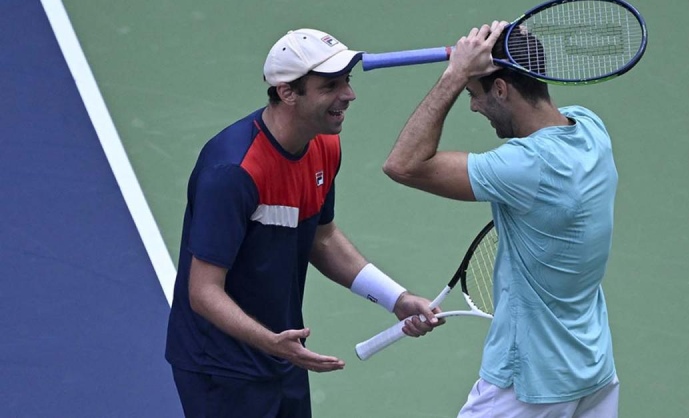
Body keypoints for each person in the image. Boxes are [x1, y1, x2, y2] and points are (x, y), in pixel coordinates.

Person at [165, 28, 442, 418]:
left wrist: (396, 298)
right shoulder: (233, 171)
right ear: (287, 92)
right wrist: (271, 342)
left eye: (347, 81)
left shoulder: (323, 145)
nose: (348, 94)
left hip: (284, 351)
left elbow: (322, 239)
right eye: (330, 85)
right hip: (222, 367)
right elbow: (204, 292)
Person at [383, 21, 620, 417]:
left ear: (501, 89)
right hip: (592, 371)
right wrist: (513, 43)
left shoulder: (527, 166)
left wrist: (456, 73)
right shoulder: (591, 129)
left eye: (474, 95)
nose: (473, 105)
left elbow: (402, 165)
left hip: (528, 385)